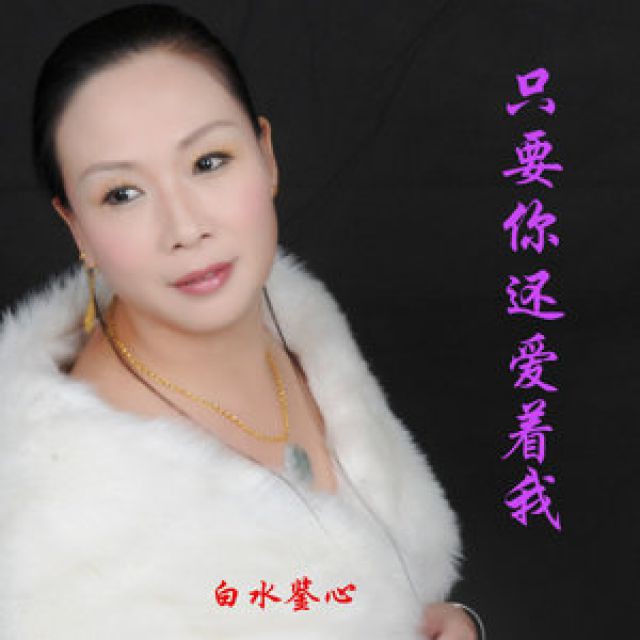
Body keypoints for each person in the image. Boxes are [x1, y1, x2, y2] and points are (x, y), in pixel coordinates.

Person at [0, 4, 485, 638]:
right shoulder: (66, 520)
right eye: (122, 193)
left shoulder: (301, 331)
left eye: (208, 162)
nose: (185, 227)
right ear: (77, 227)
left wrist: (440, 623)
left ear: (266, 155)